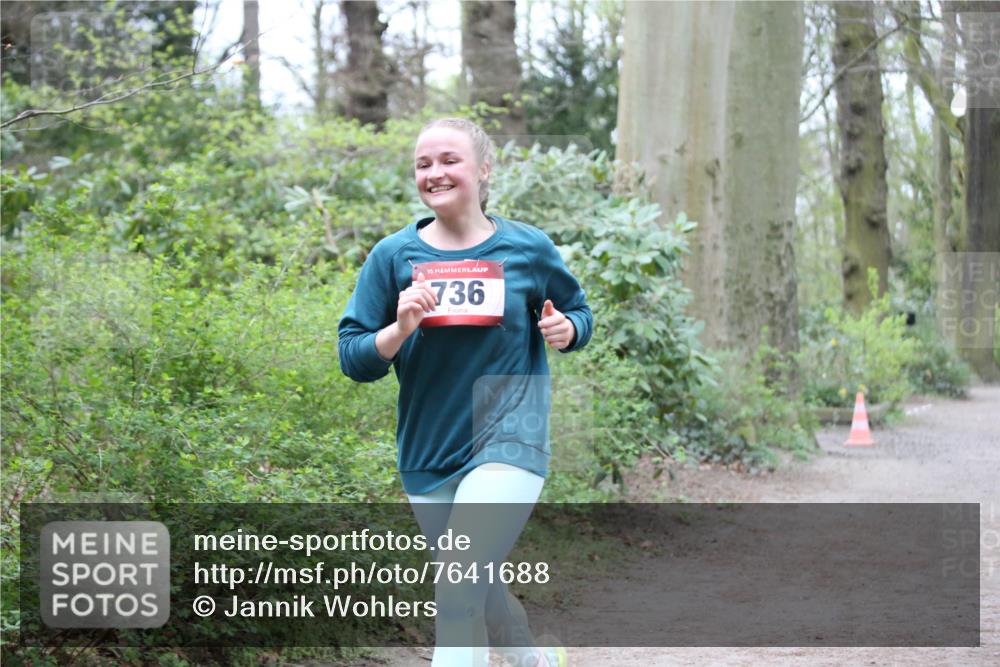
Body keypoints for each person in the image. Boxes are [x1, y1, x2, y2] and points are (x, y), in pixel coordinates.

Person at [338, 117, 592, 667]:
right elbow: (353, 357)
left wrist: (567, 329)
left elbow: (579, 312)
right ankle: (530, 658)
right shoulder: (392, 257)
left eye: (449, 160)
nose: (435, 173)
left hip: (510, 437)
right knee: (477, 579)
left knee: (456, 587)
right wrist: (399, 328)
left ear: (482, 169)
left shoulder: (527, 247)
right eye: (423, 164)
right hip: (429, 446)